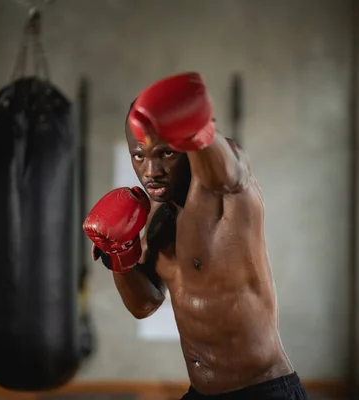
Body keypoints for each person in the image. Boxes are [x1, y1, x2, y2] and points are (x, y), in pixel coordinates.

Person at [83, 72, 309, 400]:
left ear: (187, 146)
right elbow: (145, 304)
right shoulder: (161, 224)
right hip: (201, 393)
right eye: (139, 156)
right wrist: (121, 257)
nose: (151, 170)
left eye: (166, 153)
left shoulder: (224, 194)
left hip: (262, 391)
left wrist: (200, 132)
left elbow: (232, 172)